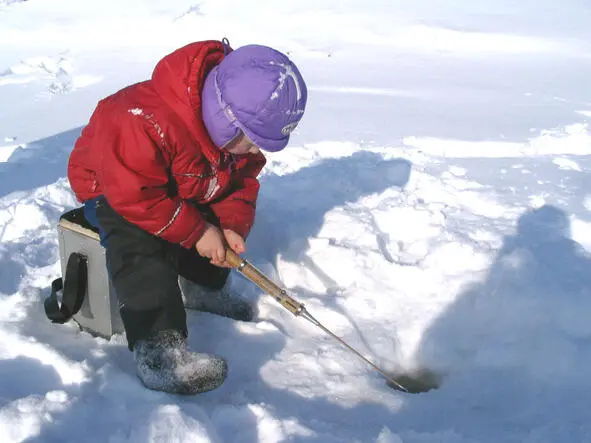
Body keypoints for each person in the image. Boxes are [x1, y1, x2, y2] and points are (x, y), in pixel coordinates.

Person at [67, 39, 308, 394]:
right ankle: (159, 352)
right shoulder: (139, 120)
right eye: (252, 140)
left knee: (211, 221)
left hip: (179, 184)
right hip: (116, 192)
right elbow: (137, 197)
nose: (256, 151)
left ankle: (201, 288)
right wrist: (197, 232)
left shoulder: (229, 142)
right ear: (225, 117)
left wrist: (230, 224)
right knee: (140, 239)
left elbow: (240, 181)